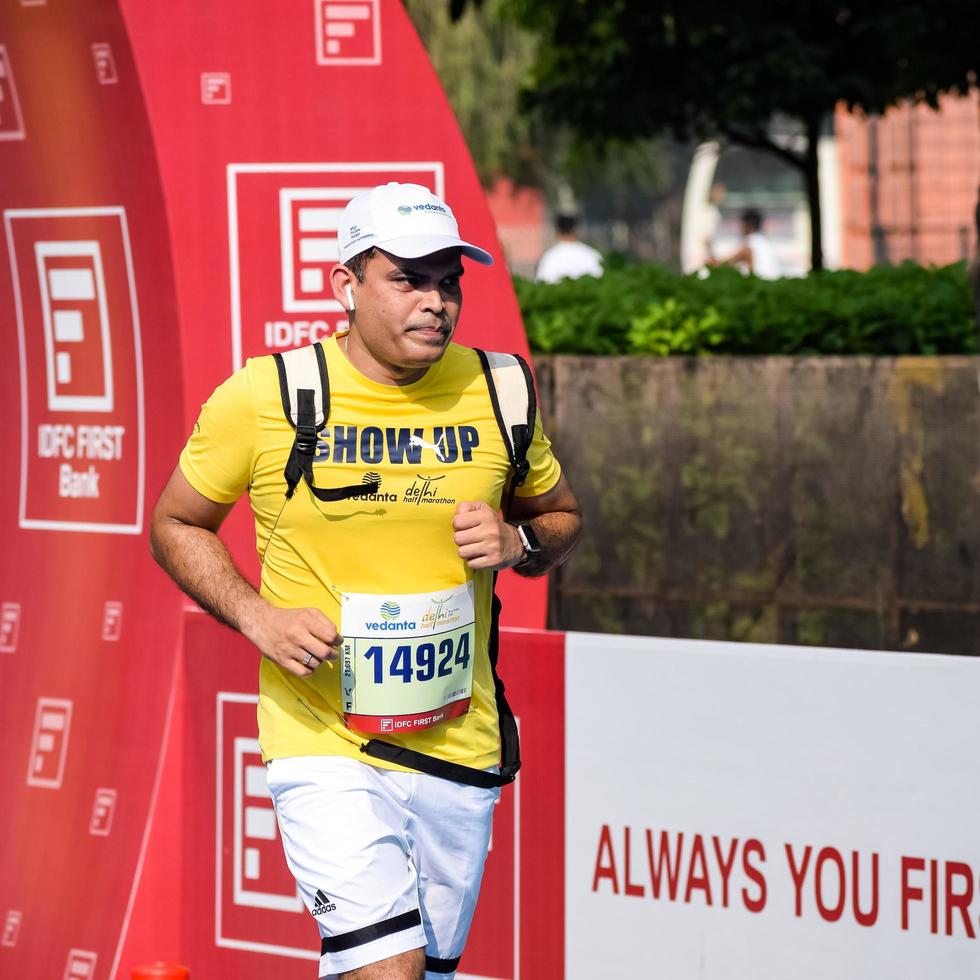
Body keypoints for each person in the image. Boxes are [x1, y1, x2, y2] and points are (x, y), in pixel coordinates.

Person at [150, 182, 581, 980]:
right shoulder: (269, 396)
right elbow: (174, 523)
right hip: (325, 744)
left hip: (460, 742)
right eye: (408, 279)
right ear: (345, 286)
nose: (436, 302)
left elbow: (561, 516)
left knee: (424, 974)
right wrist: (256, 617)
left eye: (449, 280)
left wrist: (519, 540)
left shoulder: (502, 388)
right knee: (389, 969)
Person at [707, 207, 781, 279]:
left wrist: (709, 249)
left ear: (746, 225)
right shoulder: (764, 242)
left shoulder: (749, 245)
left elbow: (720, 265)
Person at [535, 212, 603, 282]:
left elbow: (541, 282)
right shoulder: (592, 255)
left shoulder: (549, 257)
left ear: (557, 231)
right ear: (576, 230)